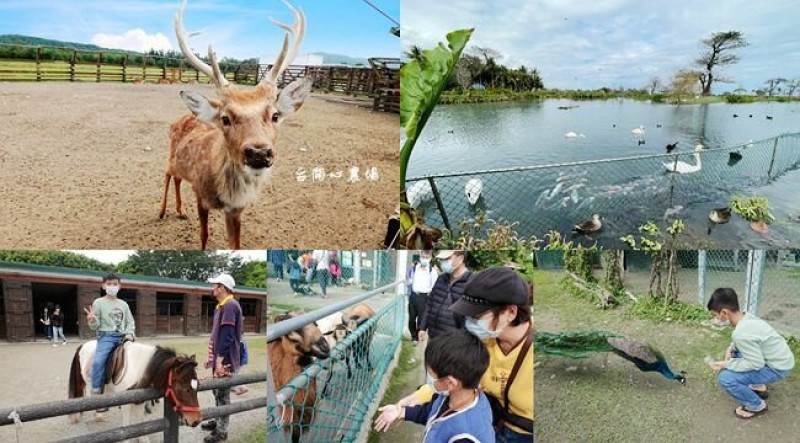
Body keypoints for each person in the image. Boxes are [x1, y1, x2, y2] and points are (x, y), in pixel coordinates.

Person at [400, 266, 534, 442]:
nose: (470, 322)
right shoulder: (483, 340)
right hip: (491, 423)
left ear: (510, 312)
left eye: (477, 316)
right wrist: (415, 398)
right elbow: (449, 375)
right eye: (468, 315)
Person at [374, 329, 494, 442]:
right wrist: (402, 412)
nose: (429, 378)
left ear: (451, 383)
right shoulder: (452, 395)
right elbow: (431, 411)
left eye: (431, 374)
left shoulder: (466, 436)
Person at [706, 288, 795, 419]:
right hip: (782, 360)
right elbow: (748, 341)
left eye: (715, 315)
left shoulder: (741, 333)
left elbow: (755, 363)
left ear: (724, 312)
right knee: (735, 352)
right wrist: (730, 348)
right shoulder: (747, 317)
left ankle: (756, 405)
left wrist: (727, 364)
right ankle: (758, 386)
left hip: (777, 368)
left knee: (726, 378)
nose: (716, 318)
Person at [201, 273, 244, 442]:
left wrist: (219, 360)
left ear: (222, 288)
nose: (213, 289)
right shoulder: (221, 306)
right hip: (219, 357)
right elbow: (217, 335)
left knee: (223, 395)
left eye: (215, 285)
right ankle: (218, 420)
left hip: (225, 359)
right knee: (217, 392)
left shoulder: (230, 306)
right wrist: (211, 358)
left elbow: (227, 336)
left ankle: (222, 430)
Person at [85, 272, 135, 414]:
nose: (112, 286)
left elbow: (130, 321)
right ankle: (96, 394)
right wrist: (92, 320)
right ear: (103, 285)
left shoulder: (124, 304)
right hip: (106, 337)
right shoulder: (98, 303)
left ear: (120, 286)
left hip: (123, 336)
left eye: (115, 284)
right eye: (109, 284)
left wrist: (130, 333)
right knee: (98, 362)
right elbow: (95, 326)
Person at [418, 250, 471, 342]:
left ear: (460, 259)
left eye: (447, 258)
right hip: (433, 336)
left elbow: (471, 317)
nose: (443, 262)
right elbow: (430, 304)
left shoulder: (472, 283)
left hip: (453, 341)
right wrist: (423, 327)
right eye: (442, 259)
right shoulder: (441, 279)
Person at [409, 251, 438, 347]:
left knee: (421, 319)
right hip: (413, 296)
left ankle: (417, 337)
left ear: (430, 258)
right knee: (411, 318)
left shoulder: (432, 271)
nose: (424, 258)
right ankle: (413, 335)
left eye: (426, 256)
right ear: (420, 256)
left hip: (423, 297)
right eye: (423, 256)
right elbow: (410, 279)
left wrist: (429, 295)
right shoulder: (415, 267)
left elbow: (434, 286)